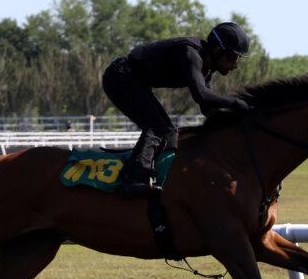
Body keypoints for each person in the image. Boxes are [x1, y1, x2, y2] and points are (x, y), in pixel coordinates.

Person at [102, 21, 253, 195]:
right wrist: (236, 103)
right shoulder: (190, 54)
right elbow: (201, 95)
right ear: (217, 50)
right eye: (232, 58)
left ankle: (153, 175)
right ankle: (133, 179)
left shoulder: (206, 68)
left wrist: (233, 121)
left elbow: (207, 107)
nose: (235, 65)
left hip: (133, 80)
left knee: (169, 133)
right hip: (120, 76)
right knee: (158, 128)